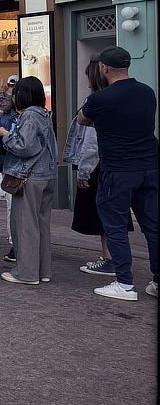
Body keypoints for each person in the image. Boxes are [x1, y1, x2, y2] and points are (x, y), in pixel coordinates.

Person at [77, 45, 159, 301]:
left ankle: (124, 283)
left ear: (103, 68)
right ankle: (157, 281)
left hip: (118, 170)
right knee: (153, 227)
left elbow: (82, 119)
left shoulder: (100, 99)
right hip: (149, 166)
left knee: (114, 226)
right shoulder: (147, 92)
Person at [64, 56, 132, 276]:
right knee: (111, 213)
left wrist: (83, 171)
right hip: (114, 163)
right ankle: (110, 257)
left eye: (87, 76)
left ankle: (110, 259)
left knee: (103, 213)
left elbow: (91, 143)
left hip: (97, 166)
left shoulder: (96, 102)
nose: (86, 80)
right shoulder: (117, 99)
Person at [0, 76, 58, 285]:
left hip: (29, 177)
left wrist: (5, 134)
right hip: (47, 174)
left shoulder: (29, 116)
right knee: (41, 224)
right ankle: (42, 270)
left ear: (22, 94)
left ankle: (27, 273)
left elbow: (24, 146)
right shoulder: (45, 114)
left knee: (25, 225)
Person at [0, 87, 20, 260]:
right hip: (9, 166)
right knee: (11, 207)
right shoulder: (5, 116)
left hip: (28, 167)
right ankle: (15, 244)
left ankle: (28, 244)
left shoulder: (35, 117)